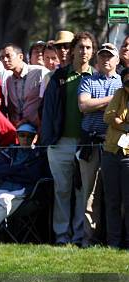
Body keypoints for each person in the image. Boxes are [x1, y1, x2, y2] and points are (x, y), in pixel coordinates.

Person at [41, 31, 96, 246]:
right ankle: (61, 236)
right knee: (62, 189)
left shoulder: (97, 76)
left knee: (83, 192)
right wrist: (48, 141)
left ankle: (80, 235)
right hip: (60, 141)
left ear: (92, 52)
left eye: (88, 47)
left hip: (87, 142)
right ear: (73, 50)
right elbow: (47, 111)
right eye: (80, 47)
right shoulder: (59, 76)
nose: (84, 51)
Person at [0, 123, 48, 243]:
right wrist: (20, 168)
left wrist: (10, 171)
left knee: (4, 198)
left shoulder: (39, 154)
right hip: (3, 186)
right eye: (22, 135)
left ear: (35, 138)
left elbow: (32, 176)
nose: (25, 139)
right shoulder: (11, 151)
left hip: (24, 191)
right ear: (18, 136)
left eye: (29, 136)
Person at [77, 44, 121, 247]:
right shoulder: (87, 81)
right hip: (92, 142)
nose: (106, 60)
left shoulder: (123, 82)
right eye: (103, 56)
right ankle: (90, 240)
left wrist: (99, 103)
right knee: (90, 195)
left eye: (110, 57)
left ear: (117, 60)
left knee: (116, 194)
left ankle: (115, 238)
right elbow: (84, 105)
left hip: (117, 145)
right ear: (98, 59)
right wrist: (114, 99)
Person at [102, 67, 129, 248]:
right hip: (111, 152)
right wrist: (126, 127)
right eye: (126, 81)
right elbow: (108, 116)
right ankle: (113, 242)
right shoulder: (119, 93)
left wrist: (119, 121)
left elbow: (115, 119)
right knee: (112, 200)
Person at [0, 43, 49, 127]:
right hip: (20, 130)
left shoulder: (40, 72)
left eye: (8, 56)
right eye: (2, 57)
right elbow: (12, 109)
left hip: (40, 127)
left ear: (21, 57)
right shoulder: (9, 80)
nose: (5, 60)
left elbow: (49, 102)